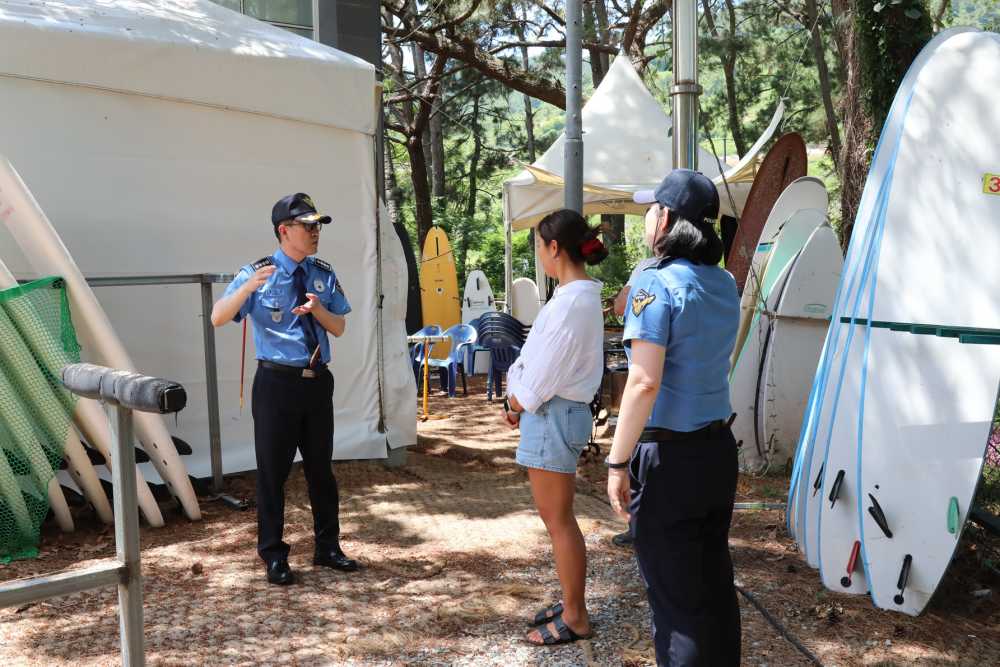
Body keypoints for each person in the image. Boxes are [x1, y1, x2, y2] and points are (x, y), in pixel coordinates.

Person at [605, 169, 742, 665]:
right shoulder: (724, 282)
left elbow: (643, 382)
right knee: (712, 583)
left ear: (664, 218)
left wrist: (616, 464)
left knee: (675, 600)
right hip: (717, 450)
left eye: (650, 209)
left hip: (668, 457)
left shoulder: (654, 287)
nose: (646, 218)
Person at [211, 192, 358, 586]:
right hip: (276, 384)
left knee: (320, 471)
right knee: (272, 474)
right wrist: (245, 290)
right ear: (284, 230)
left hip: (316, 383)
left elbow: (339, 328)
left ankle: (328, 547)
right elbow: (218, 317)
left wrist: (317, 310)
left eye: (317, 226)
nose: (314, 233)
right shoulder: (257, 272)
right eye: (307, 226)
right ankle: (273, 555)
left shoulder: (322, 273)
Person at [502, 209, 608, 646]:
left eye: (540, 247)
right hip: (551, 410)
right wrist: (518, 395)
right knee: (557, 518)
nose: (539, 255)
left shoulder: (574, 302)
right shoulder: (572, 297)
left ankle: (576, 614)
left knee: (559, 519)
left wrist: (516, 401)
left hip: (551, 412)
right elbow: (534, 360)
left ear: (554, 248)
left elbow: (542, 373)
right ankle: (570, 602)